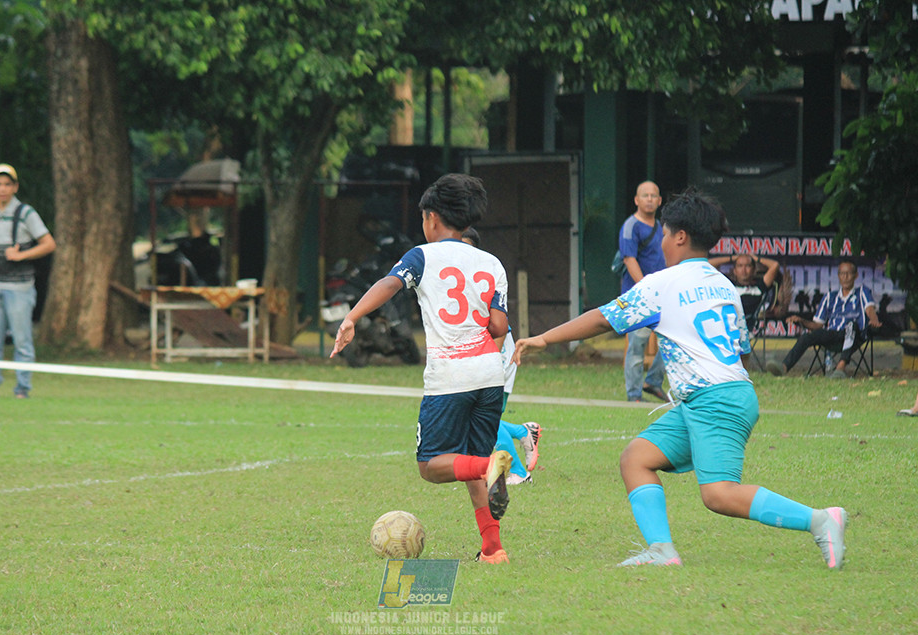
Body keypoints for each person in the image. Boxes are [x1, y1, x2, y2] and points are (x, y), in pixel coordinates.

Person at [514, 188, 847, 569]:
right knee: (636, 458)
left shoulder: (664, 282)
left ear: (680, 237)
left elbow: (604, 318)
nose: (661, 243)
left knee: (719, 495)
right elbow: (738, 348)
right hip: (715, 395)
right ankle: (661, 550)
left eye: (664, 235)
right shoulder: (724, 286)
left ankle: (821, 520)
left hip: (714, 399)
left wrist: (543, 337)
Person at [330, 173, 514, 564]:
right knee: (469, 464)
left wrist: (352, 317)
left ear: (431, 218)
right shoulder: (492, 262)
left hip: (450, 376)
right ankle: (493, 549)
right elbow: (499, 327)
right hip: (490, 374)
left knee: (431, 467)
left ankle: (489, 465)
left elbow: (391, 283)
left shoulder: (422, 255)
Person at [461, 227, 541, 485]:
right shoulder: (455, 277)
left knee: (483, 418)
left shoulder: (484, 277)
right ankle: (522, 432)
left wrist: (487, 361)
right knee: (482, 418)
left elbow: (498, 323)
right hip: (481, 354)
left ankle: (518, 472)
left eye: (465, 247)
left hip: (496, 352)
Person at [0, 163, 56, 399]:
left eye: (7, 184)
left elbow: (49, 244)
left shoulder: (26, 213)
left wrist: (21, 255)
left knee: (22, 339)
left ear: (15, 187)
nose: (2, 189)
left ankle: (22, 388)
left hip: (20, 286)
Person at [766, 259, 880, 379]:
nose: (845, 277)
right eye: (842, 274)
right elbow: (818, 324)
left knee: (851, 325)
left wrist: (874, 320)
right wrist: (801, 320)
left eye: (849, 273)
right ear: (838, 276)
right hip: (833, 334)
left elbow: (870, 309)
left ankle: (840, 368)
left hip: (855, 335)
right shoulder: (830, 297)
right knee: (807, 336)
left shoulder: (862, 292)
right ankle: (783, 367)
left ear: (855, 275)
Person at [618, 181, 667, 402]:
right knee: (637, 345)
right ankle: (634, 394)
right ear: (637, 200)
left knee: (671, 340)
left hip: (662, 295)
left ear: (659, 201)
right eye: (645, 195)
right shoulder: (631, 226)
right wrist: (645, 288)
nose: (649, 199)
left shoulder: (662, 228)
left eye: (653, 195)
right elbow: (629, 259)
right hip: (638, 296)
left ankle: (653, 382)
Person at [709, 252, 781, 329]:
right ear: (734, 271)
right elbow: (707, 264)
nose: (744, 270)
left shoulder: (759, 287)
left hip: (751, 330)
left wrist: (755, 258)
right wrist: (732, 258)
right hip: (729, 330)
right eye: (740, 266)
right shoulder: (728, 285)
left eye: (748, 266)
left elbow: (775, 265)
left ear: (754, 270)